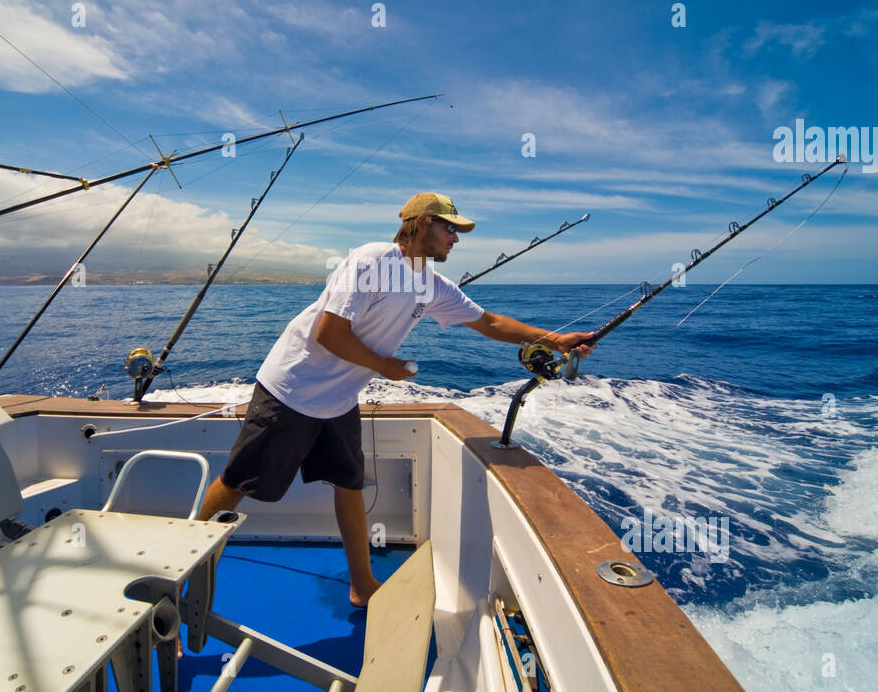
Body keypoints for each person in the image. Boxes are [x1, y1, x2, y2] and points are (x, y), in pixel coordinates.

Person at [197, 192, 596, 606]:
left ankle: (363, 586)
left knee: (349, 484)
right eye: (449, 228)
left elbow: (490, 322)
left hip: (339, 399)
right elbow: (328, 333)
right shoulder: (372, 261)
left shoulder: (434, 286)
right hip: (293, 390)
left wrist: (555, 339)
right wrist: (385, 366)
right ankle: (172, 570)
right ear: (422, 223)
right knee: (239, 482)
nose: (455, 239)